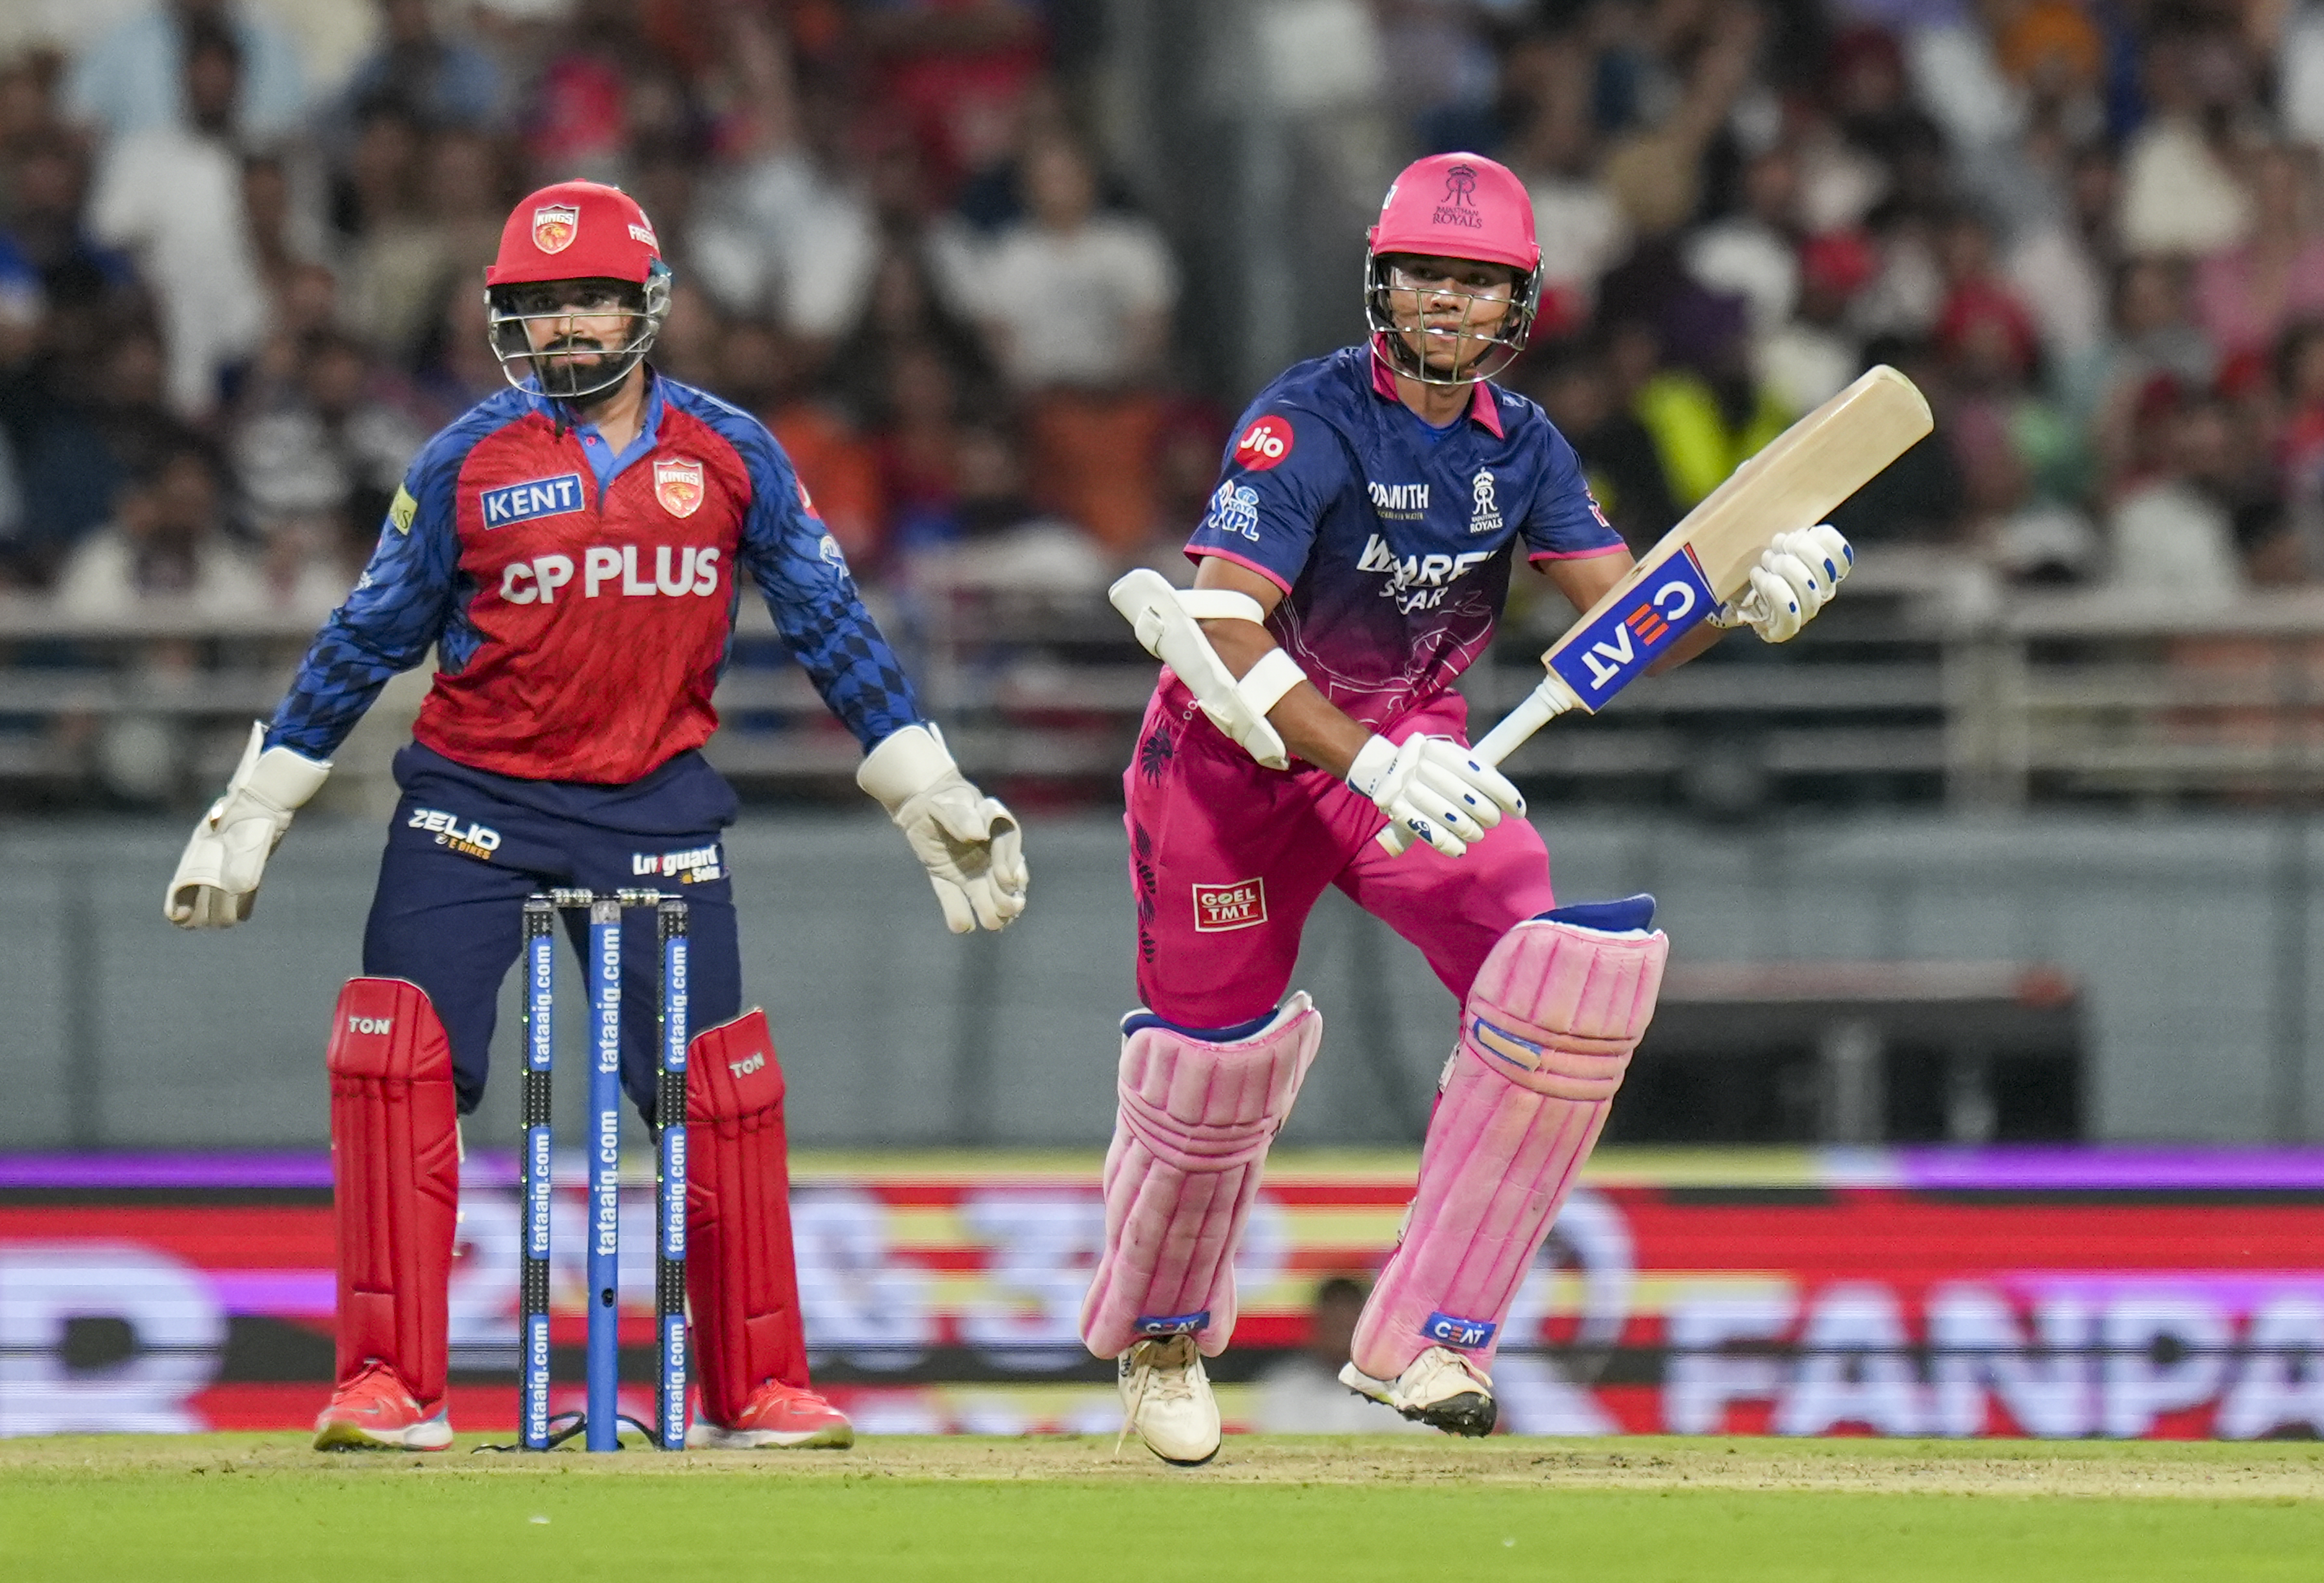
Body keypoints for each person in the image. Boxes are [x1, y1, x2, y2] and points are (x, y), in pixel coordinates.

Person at [161, 180, 1028, 1452]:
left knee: (716, 1095)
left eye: (591, 301)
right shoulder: (464, 460)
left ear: (646, 306)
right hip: (473, 803)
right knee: (396, 1065)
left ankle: (757, 1388)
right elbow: (367, 636)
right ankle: (390, 1384)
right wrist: (259, 801)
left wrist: (924, 780)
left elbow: (830, 622)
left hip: (656, 808)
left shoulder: (731, 452)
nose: (566, 326)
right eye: (541, 304)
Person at [1085, 153, 1852, 1465]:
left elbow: (1628, 622)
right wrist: (1369, 764)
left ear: (1521, 300)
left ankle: (1429, 1336)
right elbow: (1218, 628)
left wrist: (1741, 604)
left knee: (1560, 983)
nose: (1449, 302)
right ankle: (1160, 1342)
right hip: (1232, 769)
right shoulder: (1305, 421)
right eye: (1426, 276)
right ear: (1381, 286)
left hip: (1409, 754)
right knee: (1209, 1076)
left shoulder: (1526, 447)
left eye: (1478, 282)